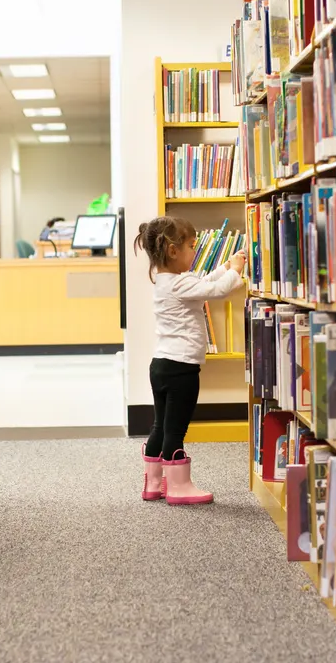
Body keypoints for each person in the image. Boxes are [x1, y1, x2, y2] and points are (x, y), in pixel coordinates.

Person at [133, 216, 246, 505]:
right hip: (181, 368)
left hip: (161, 365)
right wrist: (235, 272)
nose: (195, 251)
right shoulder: (179, 284)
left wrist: (224, 267)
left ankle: (154, 483)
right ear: (173, 250)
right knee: (175, 429)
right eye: (192, 246)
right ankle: (179, 488)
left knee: (160, 425)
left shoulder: (169, 281)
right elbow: (216, 290)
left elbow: (204, 282)